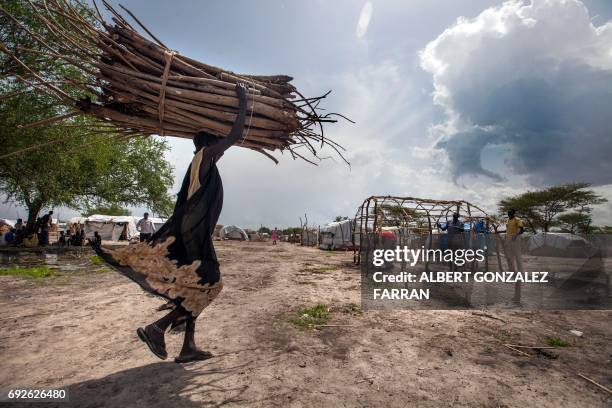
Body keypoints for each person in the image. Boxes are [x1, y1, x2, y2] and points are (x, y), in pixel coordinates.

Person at [93, 83, 249, 363]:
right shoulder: (204, 158)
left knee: (193, 288)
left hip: (192, 237)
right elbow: (236, 135)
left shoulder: (202, 164)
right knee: (212, 284)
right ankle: (158, 327)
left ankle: (188, 346)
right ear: (209, 144)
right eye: (218, 145)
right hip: (193, 239)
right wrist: (243, 99)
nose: (222, 151)